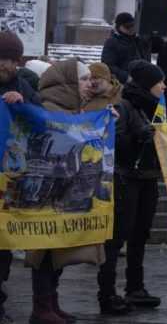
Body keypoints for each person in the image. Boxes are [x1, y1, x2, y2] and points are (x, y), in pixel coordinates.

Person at [30, 60, 105, 324]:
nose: (90, 84)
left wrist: (104, 124)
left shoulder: (75, 110)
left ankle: (52, 303)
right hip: (49, 193)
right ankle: (41, 307)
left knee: (57, 251)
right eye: (84, 79)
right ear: (68, 83)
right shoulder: (50, 109)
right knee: (45, 252)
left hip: (66, 192)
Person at [97, 61, 166, 314]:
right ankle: (107, 293)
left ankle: (135, 287)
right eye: (160, 82)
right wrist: (138, 138)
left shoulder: (154, 108)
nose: (164, 86)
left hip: (147, 177)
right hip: (126, 178)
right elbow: (114, 142)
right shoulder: (125, 106)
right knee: (117, 238)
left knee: (141, 235)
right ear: (148, 84)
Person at [0, 32, 38, 324]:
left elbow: (41, 120)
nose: (4, 65)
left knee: (2, 245)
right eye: (1, 59)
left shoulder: (25, 85)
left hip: (11, 178)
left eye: (10, 60)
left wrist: (22, 104)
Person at [101, 13, 153, 84]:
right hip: (123, 84)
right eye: (127, 26)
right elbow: (108, 65)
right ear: (119, 27)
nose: (131, 28)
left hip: (142, 82)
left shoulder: (139, 40)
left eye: (132, 25)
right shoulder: (112, 42)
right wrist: (126, 77)